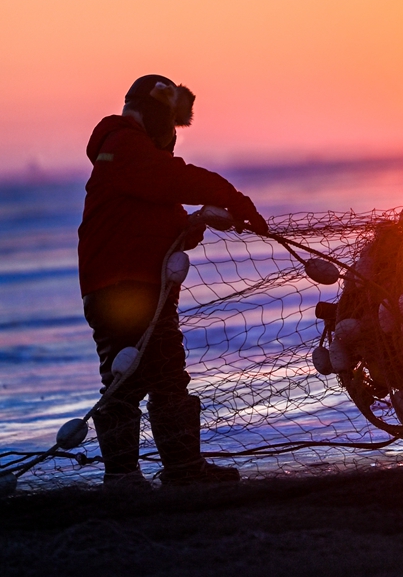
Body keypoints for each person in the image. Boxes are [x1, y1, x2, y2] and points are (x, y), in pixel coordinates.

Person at [78, 74, 268, 486]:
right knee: (143, 377)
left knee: (144, 376)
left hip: (127, 287)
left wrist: (185, 225)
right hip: (125, 289)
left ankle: (144, 474)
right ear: (157, 115)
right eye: (172, 123)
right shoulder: (123, 145)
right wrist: (233, 198)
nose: (174, 137)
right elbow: (175, 178)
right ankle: (152, 474)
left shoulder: (126, 155)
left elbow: (149, 209)